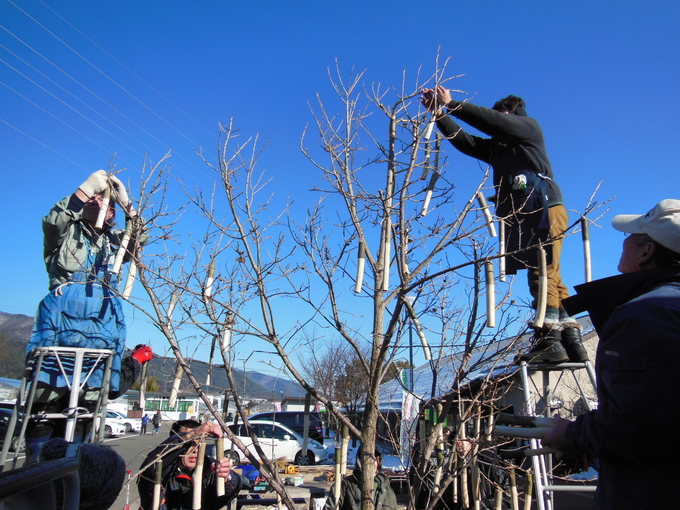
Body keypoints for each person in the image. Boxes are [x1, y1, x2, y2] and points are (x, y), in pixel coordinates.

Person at [421, 88, 587, 363]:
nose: (497, 120)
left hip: (544, 206)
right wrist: (440, 115)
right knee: (550, 274)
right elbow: (467, 142)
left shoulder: (528, 130)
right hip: (525, 211)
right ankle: (570, 341)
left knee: (541, 272)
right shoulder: (501, 148)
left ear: (513, 114)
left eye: (502, 115)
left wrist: (453, 104)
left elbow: (495, 122)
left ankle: (549, 341)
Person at [543, 199, 680, 509]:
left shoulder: (644, 316)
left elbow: (636, 426)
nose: (624, 241)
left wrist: (572, 434)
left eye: (632, 236)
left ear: (647, 252)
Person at [24, 170, 152, 460]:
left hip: (101, 334)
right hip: (60, 331)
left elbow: (141, 236)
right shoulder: (66, 234)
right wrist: (85, 189)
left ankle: (74, 472)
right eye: (95, 198)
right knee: (46, 406)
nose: (101, 202)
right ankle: (36, 470)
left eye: (107, 202)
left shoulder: (117, 242)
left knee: (86, 409)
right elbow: (52, 221)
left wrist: (127, 203)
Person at [137, 419, 241, 510]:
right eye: (189, 443)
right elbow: (150, 466)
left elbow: (230, 491)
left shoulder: (209, 468)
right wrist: (191, 434)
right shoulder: (162, 470)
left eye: (199, 443)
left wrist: (226, 478)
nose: (195, 450)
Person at [324, 447, 397, 510]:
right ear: (359, 461)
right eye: (367, 459)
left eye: (374, 459)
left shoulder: (386, 488)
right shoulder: (344, 486)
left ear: (378, 462)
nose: (371, 463)